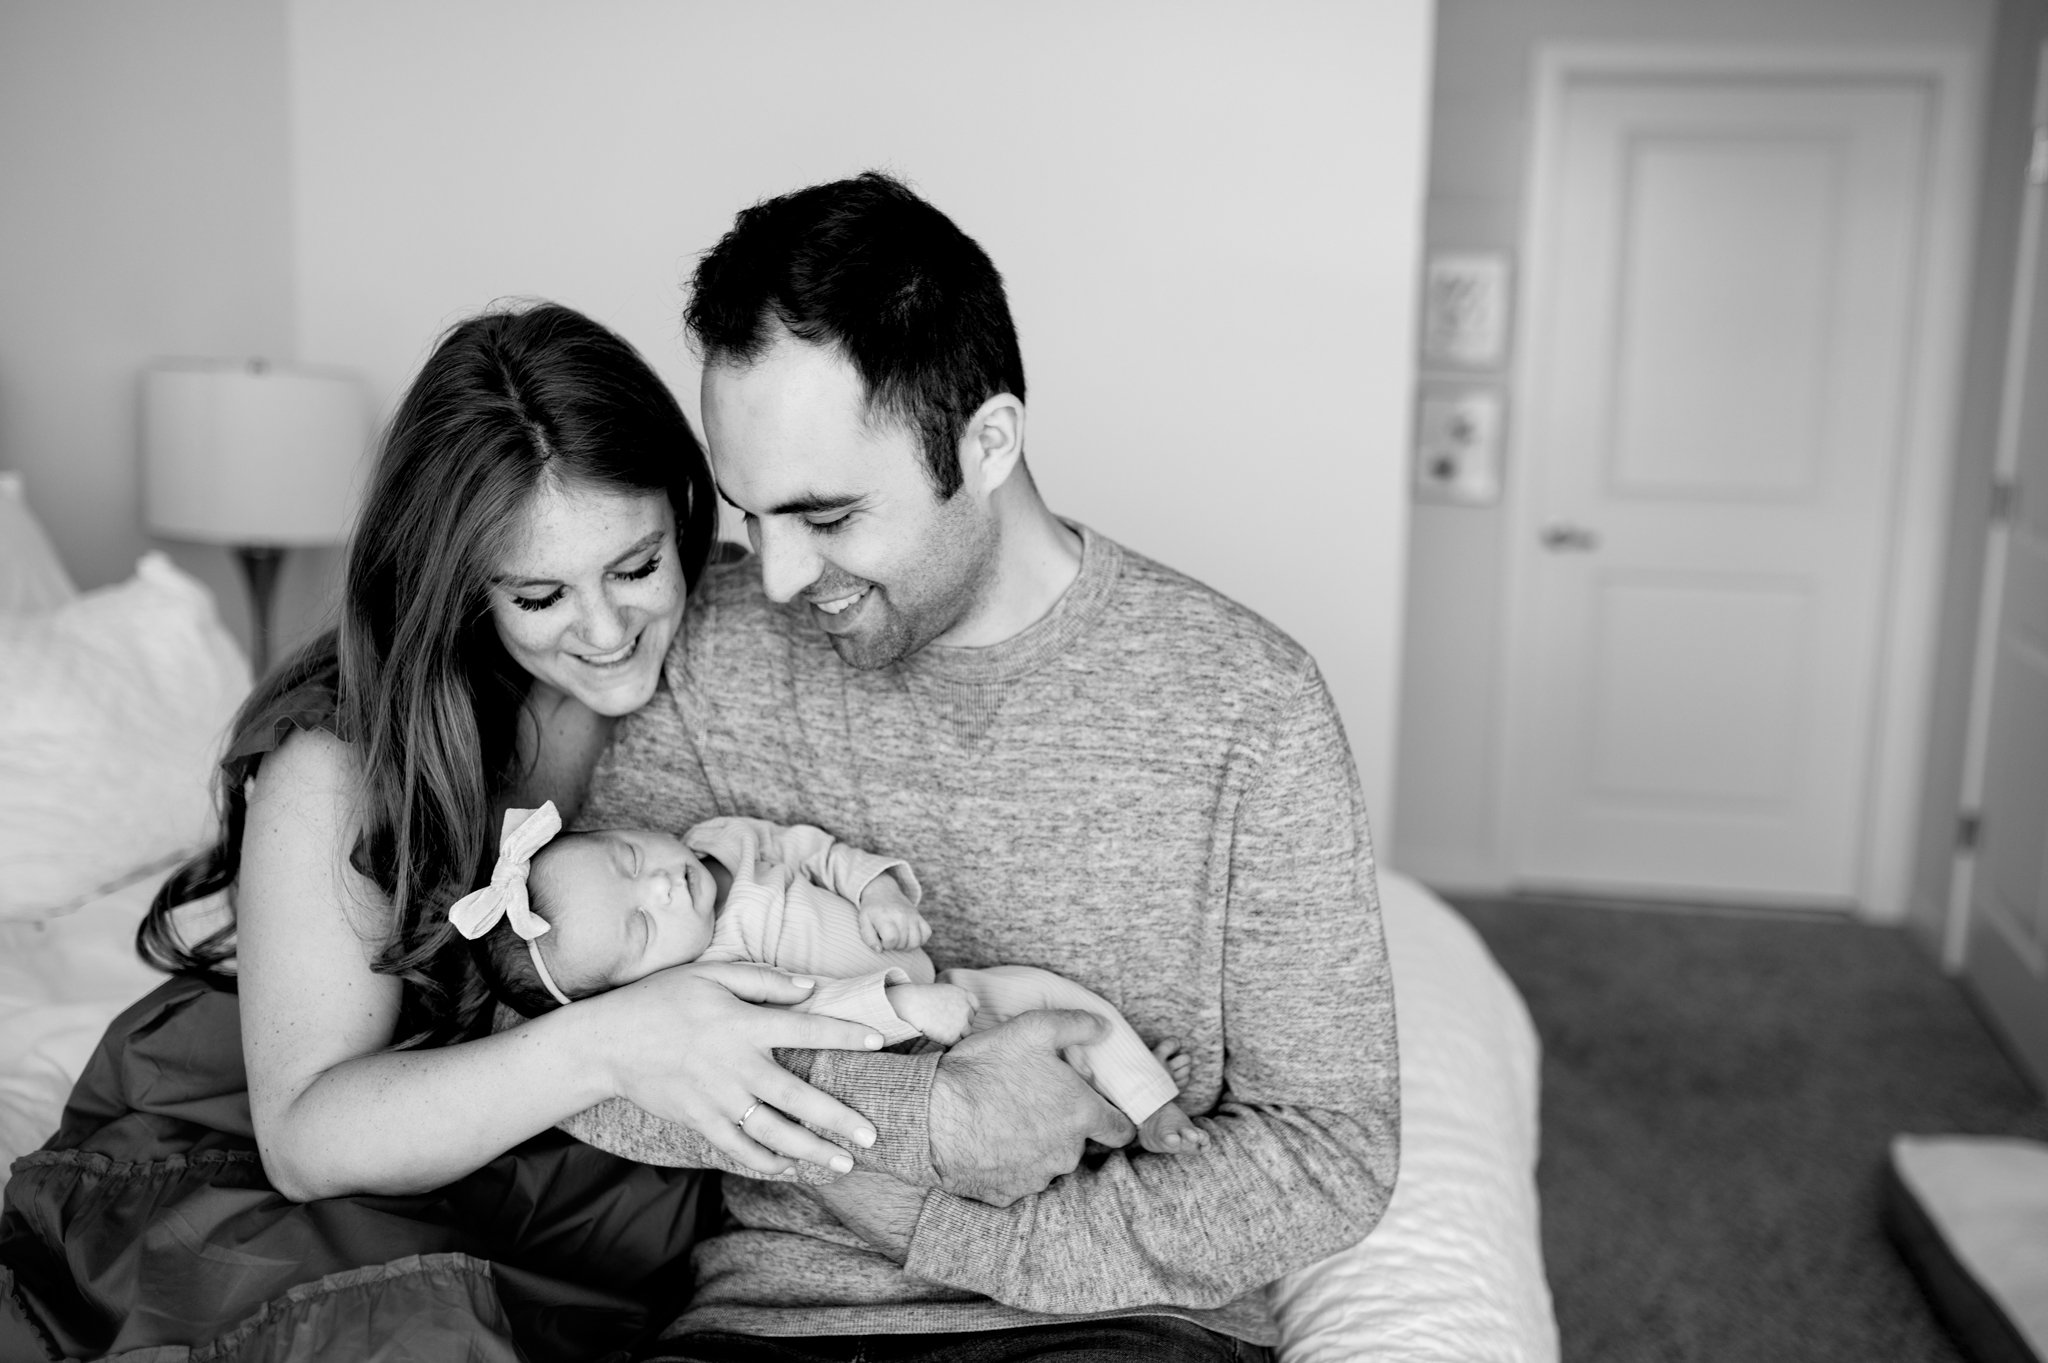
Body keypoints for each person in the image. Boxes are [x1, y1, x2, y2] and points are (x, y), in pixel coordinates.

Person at [555, 173, 1401, 1362]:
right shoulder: (714, 648)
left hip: (1118, 1327)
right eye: (750, 516)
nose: (780, 577)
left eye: (828, 516)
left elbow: (1327, 1150)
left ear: (986, 441)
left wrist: (946, 1234)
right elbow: (580, 1038)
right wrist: (931, 1118)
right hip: (766, 1327)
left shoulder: (1244, 705)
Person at [0, 302, 886, 1362]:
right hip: (319, 1167)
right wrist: (614, 1041)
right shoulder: (339, 766)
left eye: (638, 566)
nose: (604, 633)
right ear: (464, 585)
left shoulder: (730, 635)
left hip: (570, 1182)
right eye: (540, 593)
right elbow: (307, 1140)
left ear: (685, 508)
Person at [464, 803, 1207, 1152]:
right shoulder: (713, 980)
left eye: (629, 857)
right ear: (636, 986)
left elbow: (815, 850)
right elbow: (815, 1011)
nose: (661, 885)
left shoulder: (720, 841)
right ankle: (1105, 1110)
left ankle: (1148, 1101)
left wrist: (877, 889)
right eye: (641, 927)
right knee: (1015, 1102)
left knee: (1054, 996)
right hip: (912, 1052)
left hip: (954, 982)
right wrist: (908, 1006)